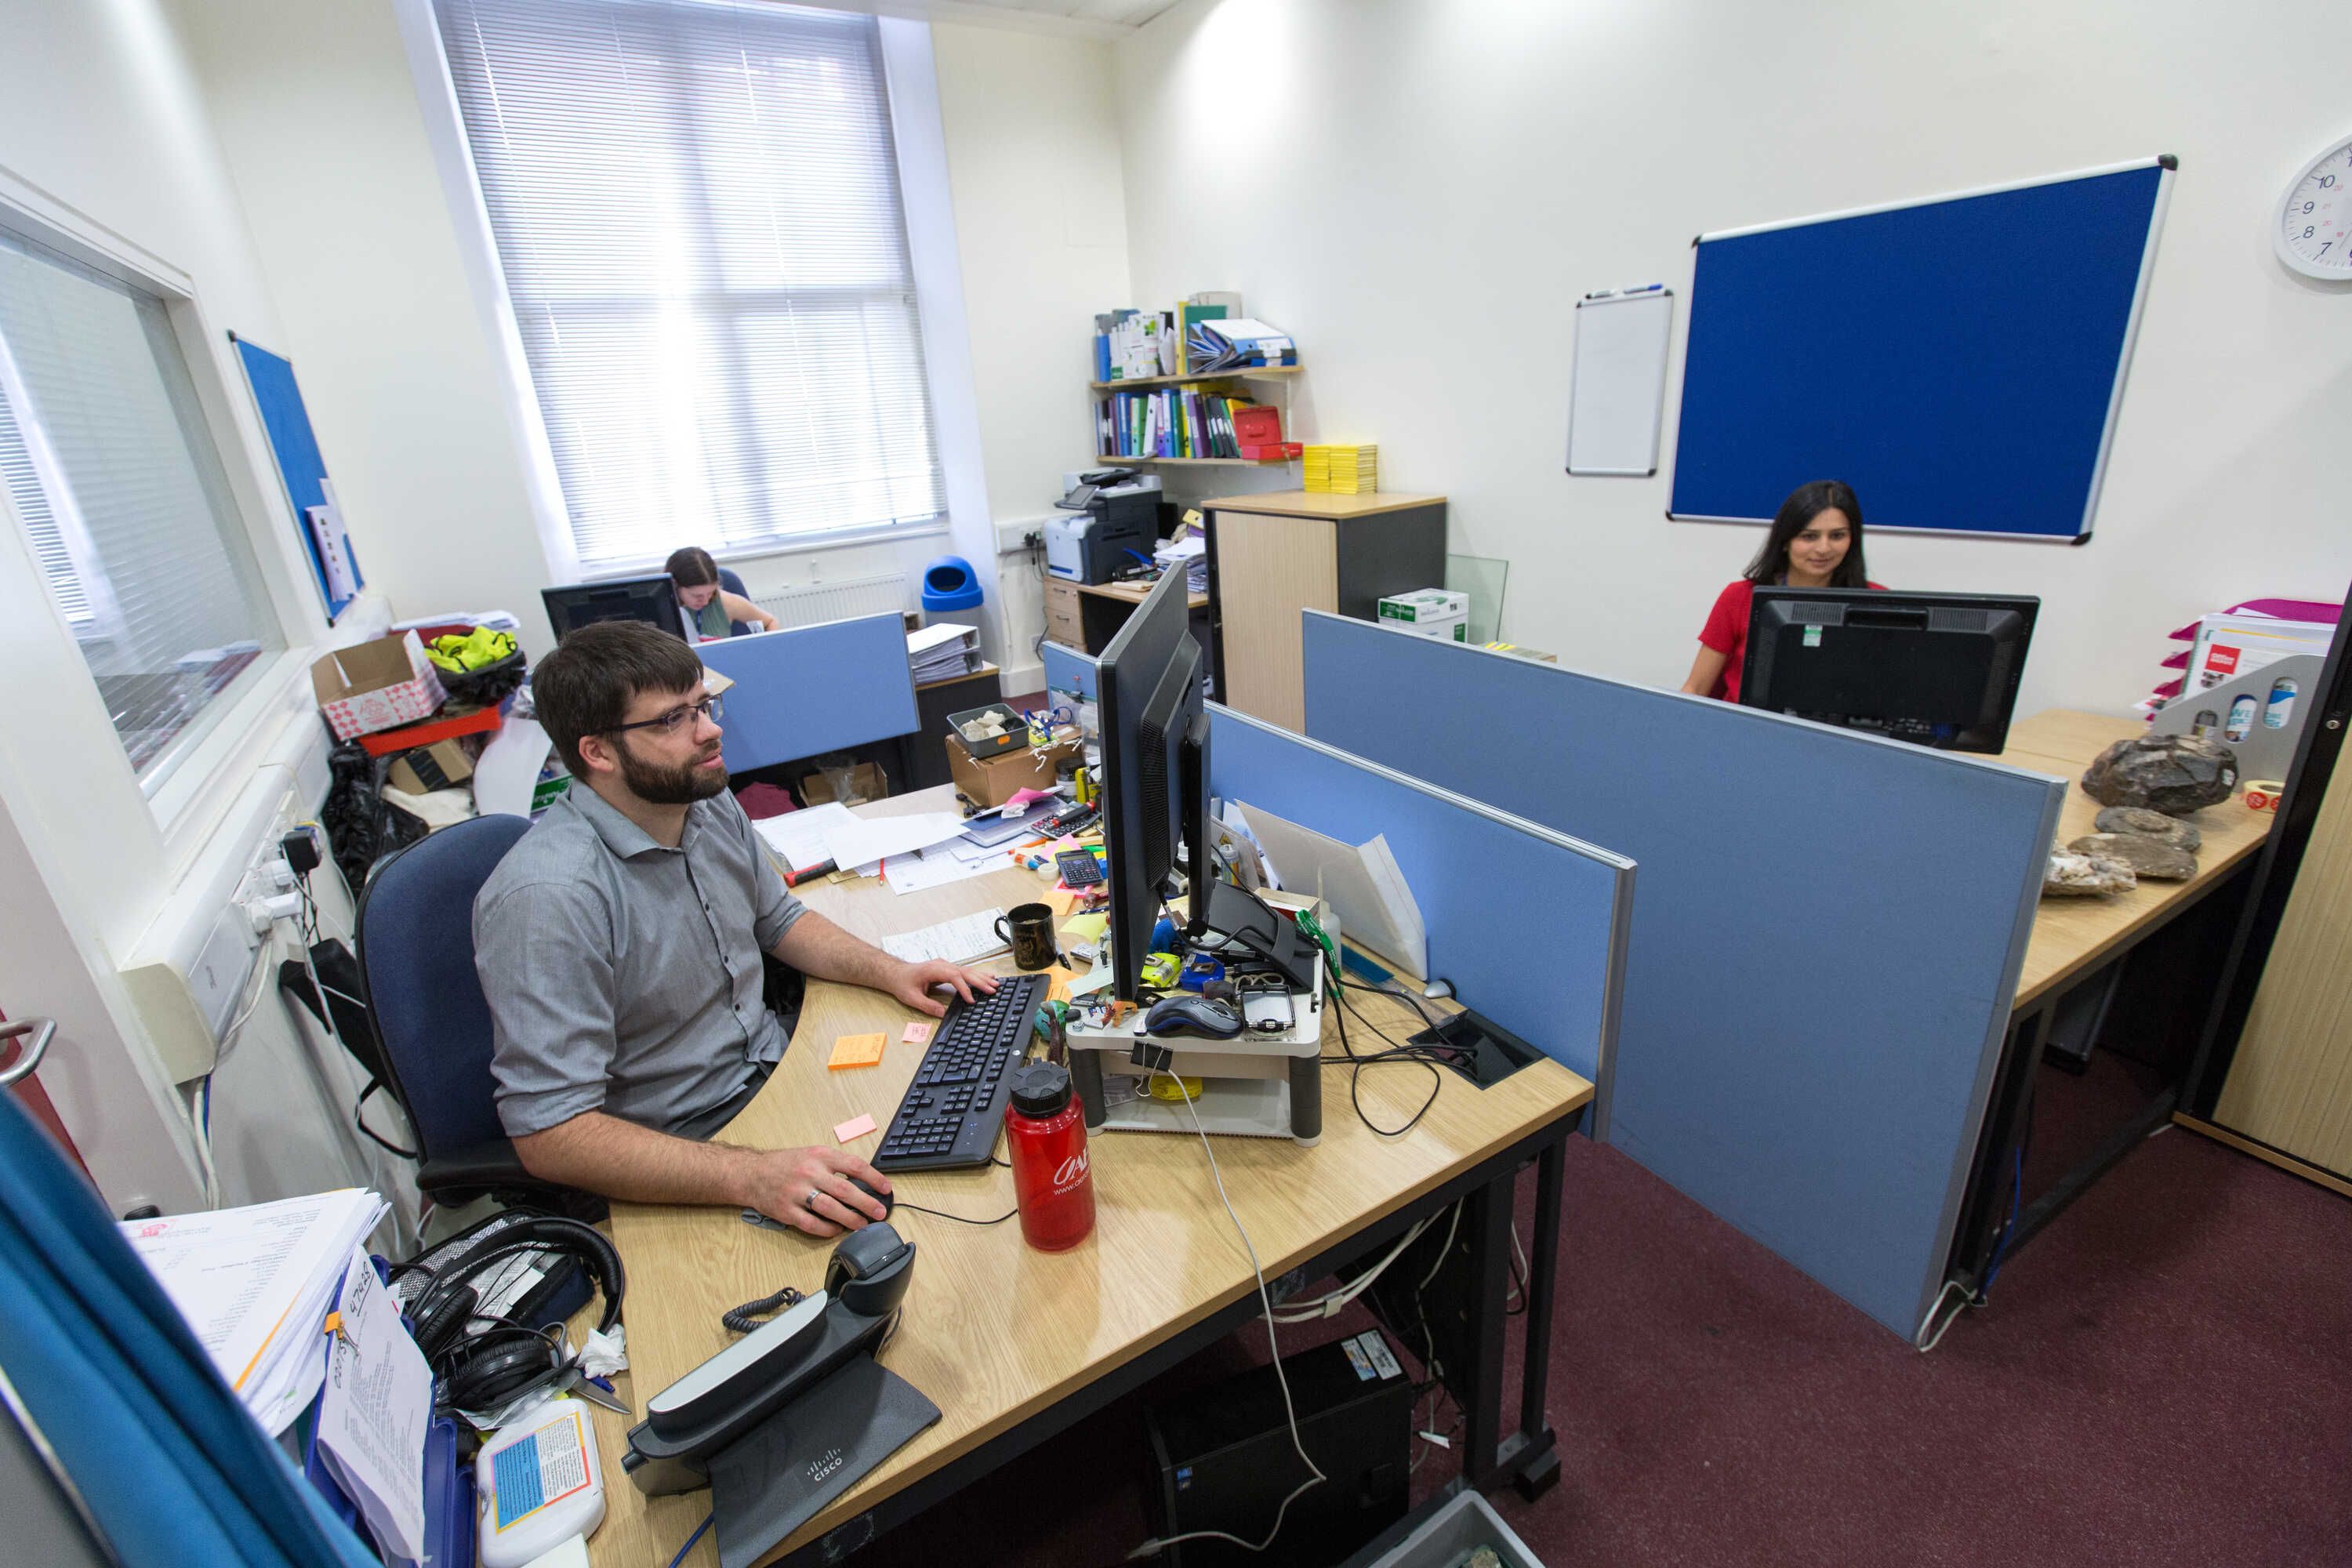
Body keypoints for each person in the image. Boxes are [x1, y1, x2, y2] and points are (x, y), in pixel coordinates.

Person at [473, 620, 994, 1236]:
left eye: (704, 705)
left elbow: (779, 920)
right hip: (681, 1152)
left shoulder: (703, 800)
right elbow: (551, 1132)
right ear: (598, 752)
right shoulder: (549, 898)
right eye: (674, 720)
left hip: (774, 1075)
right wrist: (749, 1175)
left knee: (966, 1148)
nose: (711, 730)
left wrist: (892, 971)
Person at [1681, 479, 1880, 704]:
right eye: (1809, 536)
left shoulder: (1876, 602)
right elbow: (1695, 689)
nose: (1824, 548)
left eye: (1837, 536)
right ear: (1785, 541)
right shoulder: (1740, 597)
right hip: (1745, 730)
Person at [666, 546, 778, 641]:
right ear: (675, 586)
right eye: (697, 596)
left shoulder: (727, 602)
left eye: (710, 593)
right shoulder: (661, 612)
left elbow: (770, 622)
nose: (705, 601)